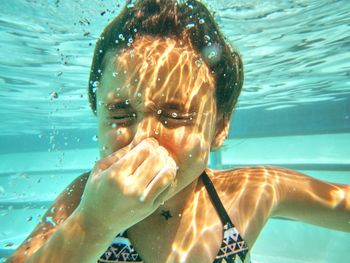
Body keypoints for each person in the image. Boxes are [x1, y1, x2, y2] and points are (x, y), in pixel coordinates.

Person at [6, 0, 349, 262]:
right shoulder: (83, 201)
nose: (143, 140)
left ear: (219, 127)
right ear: (97, 116)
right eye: (121, 113)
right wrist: (94, 224)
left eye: (174, 115)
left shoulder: (248, 193)